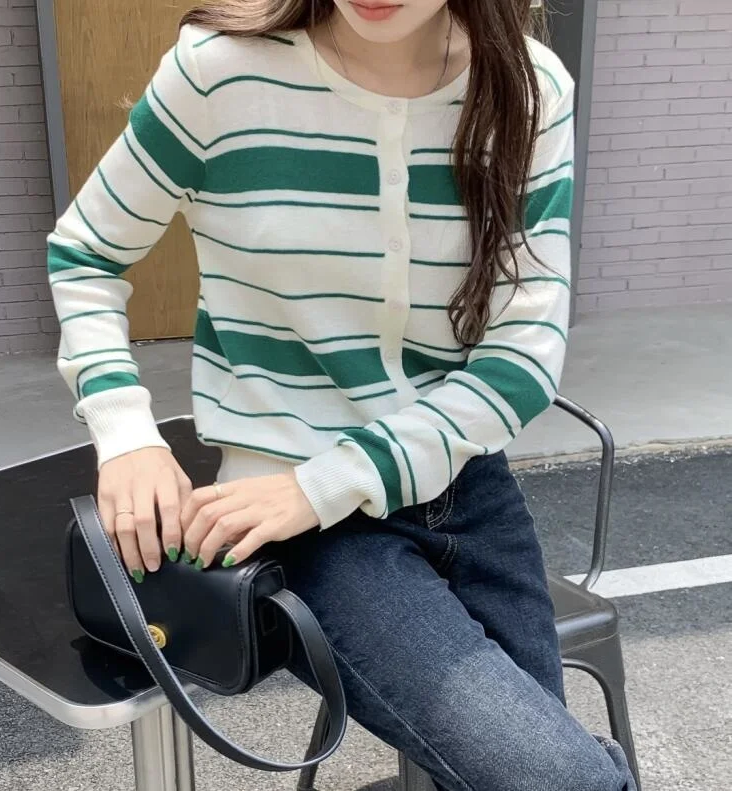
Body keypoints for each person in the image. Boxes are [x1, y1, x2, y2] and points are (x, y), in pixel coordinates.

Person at [47, 1, 637, 788]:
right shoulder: (220, 74)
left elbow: (521, 357)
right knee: (562, 780)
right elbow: (85, 253)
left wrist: (338, 478)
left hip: (468, 489)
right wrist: (126, 434)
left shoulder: (527, 91)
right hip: (300, 518)